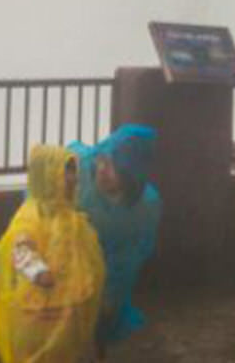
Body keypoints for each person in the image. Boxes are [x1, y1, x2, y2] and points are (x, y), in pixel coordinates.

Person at [0, 145, 106, 363]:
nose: (73, 178)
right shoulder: (31, 215)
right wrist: (39, 272)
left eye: (74, 171)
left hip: (66, 310)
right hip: (36, 314)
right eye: (66, 171)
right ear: (46, 176)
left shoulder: (70, 215)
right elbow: (20, 248)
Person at [68, 125, 162, 361]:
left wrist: (111, 293)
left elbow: (131, 252)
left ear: (132, 177)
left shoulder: (144, 207)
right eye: (103, 161)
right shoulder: (77, 169)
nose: (102, 170)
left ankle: (99, 348)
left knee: (103, 315)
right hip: (70, 255)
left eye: (114, 169)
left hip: (110, 264)